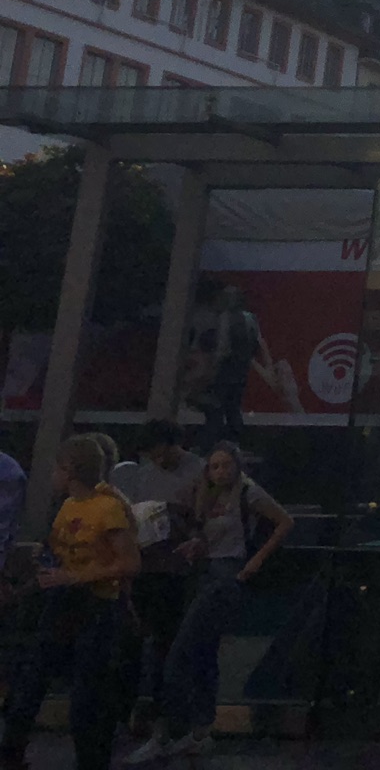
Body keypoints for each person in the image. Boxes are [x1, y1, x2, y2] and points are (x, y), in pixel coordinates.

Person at [129, 443, 292, 762]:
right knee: (202, 654)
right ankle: (199, 730)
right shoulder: (208, 495)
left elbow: (284, 521)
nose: (220, 472)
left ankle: (169, 729)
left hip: (226, 574)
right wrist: (196, 544)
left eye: (226, 465)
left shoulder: (248, 493)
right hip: (205, 571)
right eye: (215, 466)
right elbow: (209, 534)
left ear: (237, 466)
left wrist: (255, 560)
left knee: (180, 653)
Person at [1, 437, 141, 770]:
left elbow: (130, 563)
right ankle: (12, 751)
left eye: (57, 468)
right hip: (63, 599)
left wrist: (75, 577)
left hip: (97, 604)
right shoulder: (68, 505)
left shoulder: (107, 508)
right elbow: (64, 549)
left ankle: (91, 760)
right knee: (33, 676)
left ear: (70, 471)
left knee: (88, 692)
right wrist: (47, 562)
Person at [109, 422, 205, 743]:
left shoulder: (200, 472)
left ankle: (168, 716)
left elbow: (206, 517)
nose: (157, 460)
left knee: (169, 641)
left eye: (160, 453)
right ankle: (131, 709)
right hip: (147, 564)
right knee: (134, 639)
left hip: (177, 568)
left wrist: (180, 519)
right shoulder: (145, 474)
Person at [202, 285, 274, 446]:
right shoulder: (251, 318)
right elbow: (257, 343)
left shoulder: (225, 317)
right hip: (241, 369)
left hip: (225, 369)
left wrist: (212, 368)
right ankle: (236, 443)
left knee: (216, 409)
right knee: (233, 408)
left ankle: (214, 445)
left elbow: (222, 346)